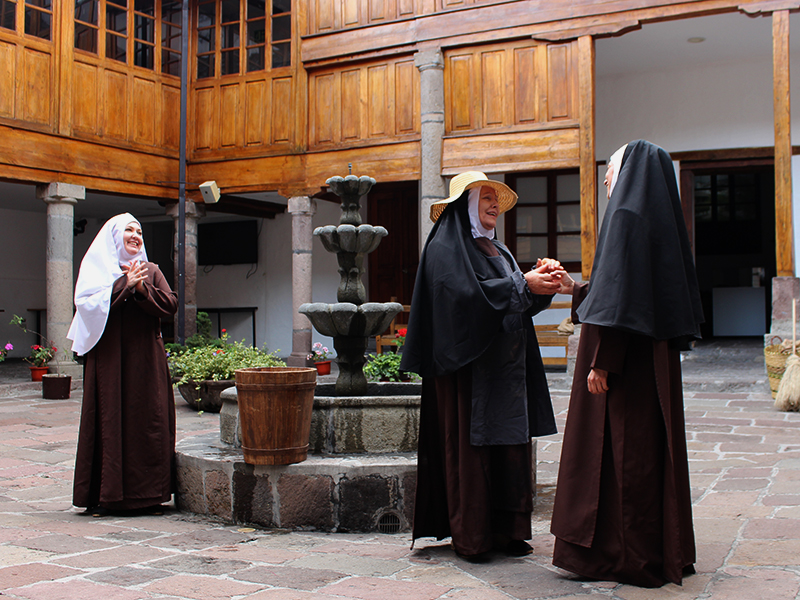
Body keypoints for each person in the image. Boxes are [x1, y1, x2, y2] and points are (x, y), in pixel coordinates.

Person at [550, 140, 704, 587]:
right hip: (649, 362)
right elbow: (622, 291)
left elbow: (621, 300)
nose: (604, 177)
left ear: (631, 171)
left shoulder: (625, 216)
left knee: (620, 456)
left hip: (622, 365)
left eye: (611, 167)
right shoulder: (656, 221)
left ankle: (623, 557)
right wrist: (577, 288)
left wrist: (602, 362)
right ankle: (659, 547)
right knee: (645, 452)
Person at [400, 171, 561, 561]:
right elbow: (461, 300)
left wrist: (540, 285)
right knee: (474, 455)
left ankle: (508, 531)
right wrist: (523, 284)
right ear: (465, 204)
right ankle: (473, 536)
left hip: (506, 371)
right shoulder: (444, 250)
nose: (493, 205)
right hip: (469, 373)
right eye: (485, 197)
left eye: (496, 198)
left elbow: (512, 298)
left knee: (509, 450)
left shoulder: (498, 249)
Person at [68, 213, 178, 516]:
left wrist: (142, 289)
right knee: (108, 420)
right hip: (109, 361)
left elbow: (170, 305)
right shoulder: (98, 272)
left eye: (139, 231)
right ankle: (106, 496)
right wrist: (123, 285)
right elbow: (86, 305)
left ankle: (149, 495)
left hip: (145, 362)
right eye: (128, 230)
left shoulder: (151, 270)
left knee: (147, 421)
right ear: (114, 236)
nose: (135, 235)